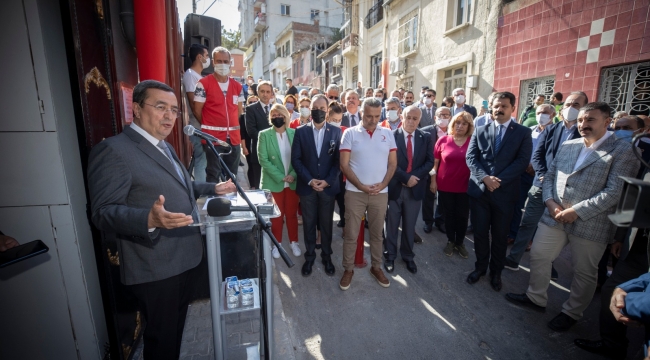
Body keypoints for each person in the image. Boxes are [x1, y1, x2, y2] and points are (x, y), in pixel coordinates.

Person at [87, 80, 236, 360]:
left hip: (185, 259)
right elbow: (102, 212)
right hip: (156, 268)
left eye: (174, 110)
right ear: (136, 110)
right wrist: (149, 219)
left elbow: (180, 185)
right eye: (160, 107)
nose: (169, 116)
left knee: (174, 335)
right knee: (161, 343)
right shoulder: (114, 151)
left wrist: (211, 188)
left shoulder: (163, 146)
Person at [505, 102, 640, 331]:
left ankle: (571, 312)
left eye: (590, 120)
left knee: (584, 272)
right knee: (538, 254)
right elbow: (550, 176)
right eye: (580, 120)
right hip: (555, 214)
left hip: (591, 222)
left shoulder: (623, 150)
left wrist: (577, 211)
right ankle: (536, 297)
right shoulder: (569, 144)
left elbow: (615, 191)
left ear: (607, 122)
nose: (583, 125)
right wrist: (549, 202)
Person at [573, 115, 649, 358]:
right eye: (618, 128)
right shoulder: (633, 154)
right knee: (613, 290)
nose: (620, 132)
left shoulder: (643, 151)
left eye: (627, 128)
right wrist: (620, 236)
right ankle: (613, 345)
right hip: (637, 245)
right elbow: (633, 197)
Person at [504, 91, 587, 271]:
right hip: (541, 184)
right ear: (561, 109)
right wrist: (542, 174)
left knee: (558, 231)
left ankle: (550, 266)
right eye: (567, 105)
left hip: (569, 190)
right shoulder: (551, 129)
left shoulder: (585, 134)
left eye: (576, 105)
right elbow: (538, 155)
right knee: (528, 222)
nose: (570, 108)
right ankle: (514, 258)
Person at [465, 91, 532, 291]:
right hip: (480, 193)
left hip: (505, 194)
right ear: (491, 108)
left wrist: (498, 181)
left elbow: (522, 162)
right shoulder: (480, 129)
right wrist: (484, 178)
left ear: (512, 108)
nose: (499, 109)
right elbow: (471, 158)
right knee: (480, 233)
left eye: (504, 106)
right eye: (496, 106)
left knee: (500, 236)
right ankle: (480, 268)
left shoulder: (522, 133)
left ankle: (496, 272)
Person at [339, 97, 397, 290]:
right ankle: (348, 269)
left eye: (377, 116)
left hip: (380, 194)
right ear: (361, 113)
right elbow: (344, 165)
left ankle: (376, 267)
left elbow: (393, 163)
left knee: (377, 234)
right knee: (351, 234)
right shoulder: (350, 133)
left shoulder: (387, 133)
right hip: (355, 193)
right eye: (369, 116)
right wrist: (362, 186)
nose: (373, 120)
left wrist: (383, 184)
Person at [291, 96, 342, 276]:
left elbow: (338, 162)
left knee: (327, 224)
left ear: (327, 110)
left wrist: (328, 181)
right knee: (309, 224)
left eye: (322, 107)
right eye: (315, 107)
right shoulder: (300, 131)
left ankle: (327, 257)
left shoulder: (336, 132)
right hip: (307, 188)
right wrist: (310, 180)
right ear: (310, 109)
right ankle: (310, 256)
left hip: (328, 188)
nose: (318, 110)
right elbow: (296, 160)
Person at [384, 105, 434, 274]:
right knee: (391, 224)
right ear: (401, 117)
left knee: (409, 225)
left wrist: (413, 178)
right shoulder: (390, 136)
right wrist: (405, 177)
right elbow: (388, 162)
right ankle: (390, 255)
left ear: (419, 120)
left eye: (415, 119)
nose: (411, 122)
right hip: (395, 187)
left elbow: (429, 162)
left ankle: (407, 256)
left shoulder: (425, 137)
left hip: (415, 188)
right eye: (408, 118)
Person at [506, 104, 555, 247]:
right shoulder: (530, 131)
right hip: (523, 173)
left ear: (552, 115)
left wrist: (537, 167)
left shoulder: (556, 132)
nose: (541, 115)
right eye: (539, 112)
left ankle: (529, 239)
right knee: (516, 205)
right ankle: (513, 234)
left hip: (541, 176)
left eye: (545, 112)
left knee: (534, 211)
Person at [193, 47, 245, 182]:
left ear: (230, 63)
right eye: (219, 61)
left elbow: (239, 111)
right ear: (213, 62)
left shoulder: (237, 86)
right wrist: (208, 125)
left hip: (233, 138)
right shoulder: (203, 84)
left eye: (226, 61)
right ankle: (214, 202)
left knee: (232, 176)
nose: (223, 64)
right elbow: (197, 110)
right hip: (212, 139)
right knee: (213, 175)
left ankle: (231, 202)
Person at [257, 104, 301, 258]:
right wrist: (281, 176)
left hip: (292, 181)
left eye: (279, 115)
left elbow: (301, 158)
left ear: (286, 116)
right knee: (276, 215)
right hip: (273, 181)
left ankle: (293, 241)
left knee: (291, 214)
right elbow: (263, 160)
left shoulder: (295, 133)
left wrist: (293, 175)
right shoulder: (264, 135)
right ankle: (277, 244)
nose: (277, 118)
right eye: (273, 115)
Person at [431, 112, 474, 258]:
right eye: (457, 123)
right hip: (445, 185)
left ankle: (460, 242)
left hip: (465, 186)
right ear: (453, 124)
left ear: (469, 126)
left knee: (462, 216)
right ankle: (450, 240)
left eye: (464, 123)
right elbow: (435, 164)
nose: (460, 126)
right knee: (448, 215)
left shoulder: (473, 141)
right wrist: (433, 181)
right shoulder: (443, 140)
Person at [421, 106, 452, 234]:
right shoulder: (425, 132)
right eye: (440, 115)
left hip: (447, 172)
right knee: (428, 197)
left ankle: (441, 220)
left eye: (446, 115)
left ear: (450, 117)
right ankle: (428, 221)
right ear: (435, 117)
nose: (443, 118)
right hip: (429, 170)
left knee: (444, 198)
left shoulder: (454, 132)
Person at [183, 44, 209, 182]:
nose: (208, 59)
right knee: (201, 160)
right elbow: (195, 106)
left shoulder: (197, 76)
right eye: (207, 56)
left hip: (203, 126)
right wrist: (205, 125)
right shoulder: (191, 76)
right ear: (200, 57)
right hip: (199, 127)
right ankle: (202, 190)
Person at [245, 80, 275, 189]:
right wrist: (269, 141)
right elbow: (251, 131)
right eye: (262, 91)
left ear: (272, 93)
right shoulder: (251, 109)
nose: (265, 94)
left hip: (275, 152)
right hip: (259, 151)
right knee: (260, 185)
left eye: (268, 91)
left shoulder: (276, 109)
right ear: (258, 92)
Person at [240, 95, 258, 187]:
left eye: (255, 101)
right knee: (251, 166)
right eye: (250, 102)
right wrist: (244, 147)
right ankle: (253, 186)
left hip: (258, 143)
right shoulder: (243, 117)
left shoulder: (261, 114)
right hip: (248, 144)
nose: (253, 103)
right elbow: (242, 133)